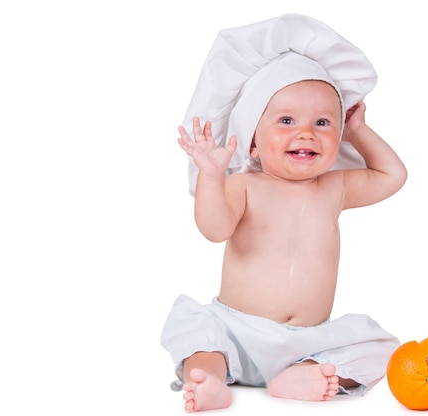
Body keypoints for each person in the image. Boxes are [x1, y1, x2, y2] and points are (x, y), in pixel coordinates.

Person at [161, 14, 407, 413]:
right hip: (236, 331)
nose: (306, 132)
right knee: (197, 332)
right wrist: (212, 175)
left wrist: (358, 129)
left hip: (308, 339)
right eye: (287, 121)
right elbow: (213, 228)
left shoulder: (334, 187)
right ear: (253, 142)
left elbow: (392, 176)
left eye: (324, 122)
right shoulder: (244, 186)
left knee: (382, 346)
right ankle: (208, 378)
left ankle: (304, 372)